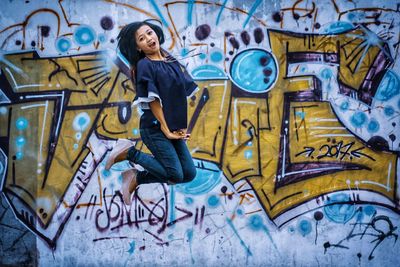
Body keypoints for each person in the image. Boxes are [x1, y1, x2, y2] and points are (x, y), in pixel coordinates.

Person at [105, 20, 199, 205]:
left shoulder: (169, 60)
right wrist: (165, 128)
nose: (148, 39)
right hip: (154, 128)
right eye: (142, 38)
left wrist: (179, 128)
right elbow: (153, 100)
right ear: (138, 47)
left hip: (170, 128)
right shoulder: (145, 66)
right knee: (174, 174)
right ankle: (129, 152)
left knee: (188, 173)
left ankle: (136, 178)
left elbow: (177, 96)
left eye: (149, 33)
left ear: (156, 33)